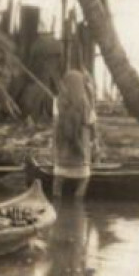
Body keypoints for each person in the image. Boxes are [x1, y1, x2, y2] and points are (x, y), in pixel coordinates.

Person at [52, 67, 99, 205]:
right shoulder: (85, 102)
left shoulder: (58, 100)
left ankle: (57, 203)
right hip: (80, 146)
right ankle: (77, 204)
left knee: (58, 179)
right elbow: (92, 123)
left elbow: (55, 124)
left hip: (63, 144)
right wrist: (94, 141)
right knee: (84, 178)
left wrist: (54, 145)